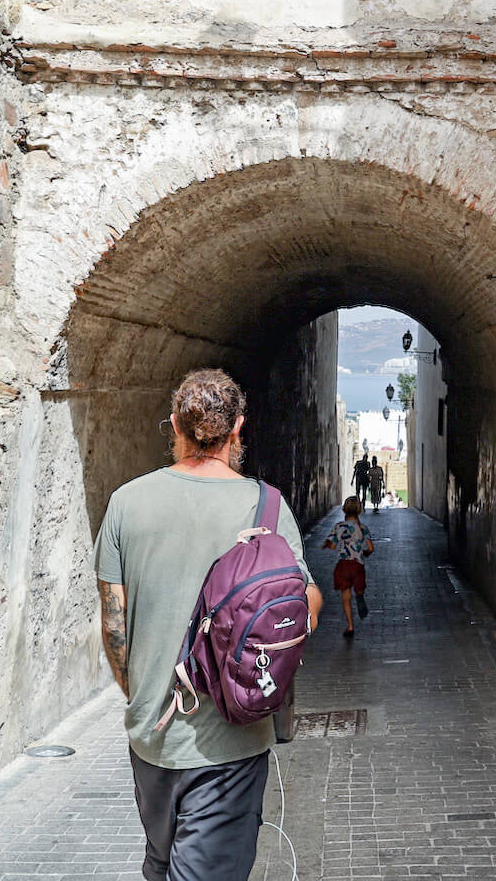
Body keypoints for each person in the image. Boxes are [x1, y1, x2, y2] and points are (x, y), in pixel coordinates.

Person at [92, 368, 323, 881]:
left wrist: (141, 690)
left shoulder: (126, 503)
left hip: (150, 739)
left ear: (174, 424)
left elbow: (114, 624)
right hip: (231, 739)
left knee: (160, 862)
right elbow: (302, 606)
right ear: (238, 428)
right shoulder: (266, 505)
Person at [323, 495, 373, 639]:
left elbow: (332, 546)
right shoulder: (362, 528)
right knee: (359, 586)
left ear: (344, 510)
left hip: (343, 565)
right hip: (358, 564)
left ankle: (350, 626)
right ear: (359, 510)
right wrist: (364, 553)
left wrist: (328, 544)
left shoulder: (339, 526)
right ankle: (359, 593)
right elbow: (370, 548)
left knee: (345, 597)